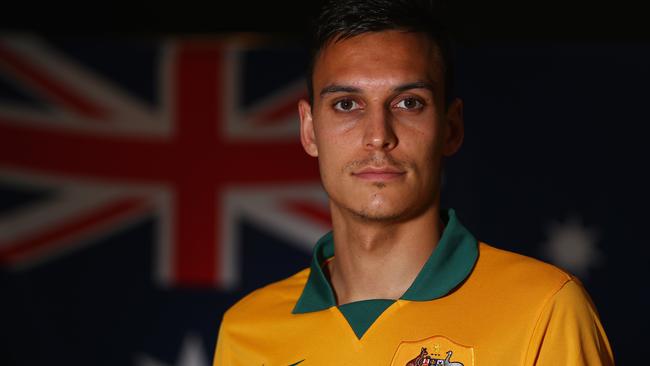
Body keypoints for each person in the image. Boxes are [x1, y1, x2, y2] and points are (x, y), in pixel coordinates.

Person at [213, 0, 614, 364]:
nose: (378, 135)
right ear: (309, 130)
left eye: (409, 103)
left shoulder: (546, 309)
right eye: (346, 104)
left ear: (451, 127)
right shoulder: (245, 331)